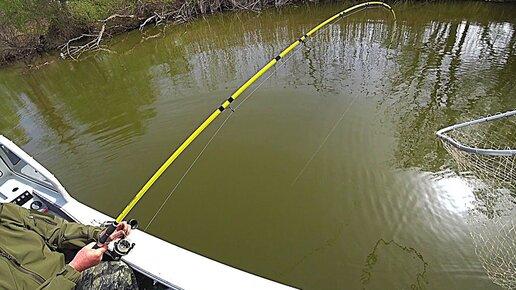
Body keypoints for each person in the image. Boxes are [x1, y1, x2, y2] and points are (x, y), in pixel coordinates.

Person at [0, 202, 138, 290]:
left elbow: (58, 230)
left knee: (118, 270)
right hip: (65, 278)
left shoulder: (5, 212)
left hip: (66, 271)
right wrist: (75, 268)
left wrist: (99, 234)